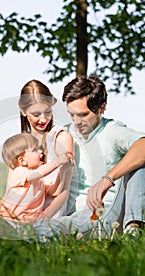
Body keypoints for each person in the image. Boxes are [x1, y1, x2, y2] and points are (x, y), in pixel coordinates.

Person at [33, 75, 145, 239]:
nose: (77, 122)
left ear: (101, 108)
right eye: (72, 115)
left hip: (105, 212)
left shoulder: (112, 131)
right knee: (42, 227)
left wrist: (107, 179)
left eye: (83, 115)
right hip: (72, 215)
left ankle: (133, 233)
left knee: (139, 161)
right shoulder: (64, 134)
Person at [0, 133, 74, 238]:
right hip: (7, 218)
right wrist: (57, 162)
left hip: (24, 224)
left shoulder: (40, 181)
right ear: (22, 160)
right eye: (35, 150)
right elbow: (39, 173)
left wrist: (63, 169)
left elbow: (55, 191)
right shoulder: (19, 172)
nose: (41, 152)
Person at [18, 79, 74, 217]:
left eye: (47, 112)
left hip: (49, 216)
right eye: (36, 114)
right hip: (22, 213)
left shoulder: (60, 137)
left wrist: (40, 220)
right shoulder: (21, 142)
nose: (43, 119)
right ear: (23, 111)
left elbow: (63, 192)